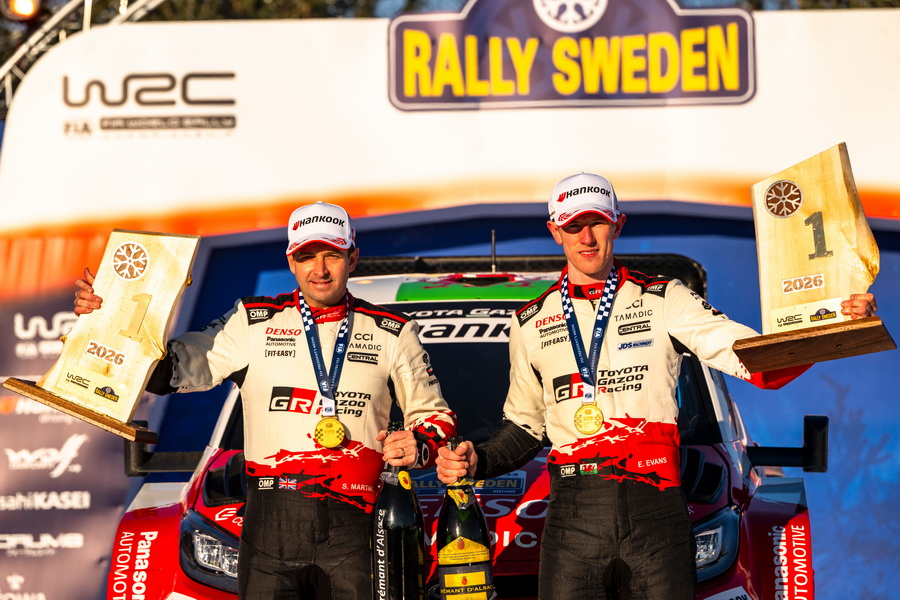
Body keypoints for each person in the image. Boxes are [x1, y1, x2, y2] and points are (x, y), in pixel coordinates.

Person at [435, 172, 878, 600]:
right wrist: (479, 460)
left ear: (618, 224)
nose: (586, 238)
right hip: (573, 514)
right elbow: (526, 427)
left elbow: (754, 360)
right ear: (555, 231)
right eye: (573, 226)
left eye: (597, 223)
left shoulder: (666, 298)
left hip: (657, 508)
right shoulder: (530, 322)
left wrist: (834, 325)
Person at [75, 202, 458, 599]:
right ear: (291, 261)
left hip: (359, 524)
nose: (320, 269)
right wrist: (109, 319)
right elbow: (167, 373)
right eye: (307, 256)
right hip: (269, 526)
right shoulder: (252, 321)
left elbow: (436, 418)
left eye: (332, 255)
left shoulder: (392, 332)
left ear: (353, 258)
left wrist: (420, 444)